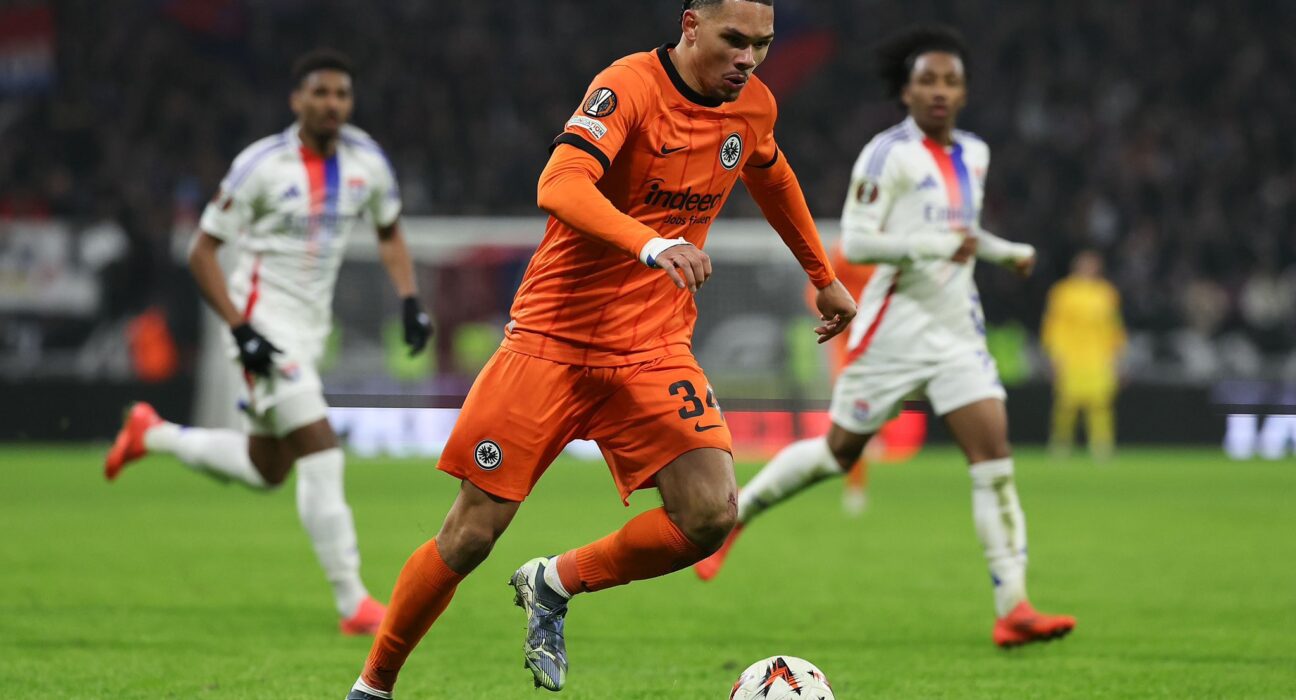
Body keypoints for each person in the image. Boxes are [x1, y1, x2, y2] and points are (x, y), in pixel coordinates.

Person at [345, 1, 857, 697]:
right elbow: (558, 183)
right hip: (551, 342)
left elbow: (771, 173)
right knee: (469, 536)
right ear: (691, 25)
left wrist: (822, 276)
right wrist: (651, 243)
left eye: (761, 44)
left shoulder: (753, 106)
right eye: (734, 40)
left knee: (709, 514)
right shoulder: (629, 86)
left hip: (652, 347)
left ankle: (553, 583)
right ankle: (373, 685)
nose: (748, 59)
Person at [693, 25, 1077, 649]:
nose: (939, 91)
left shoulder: (974, 154)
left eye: (950, 81)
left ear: (964, 92)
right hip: (892, 332)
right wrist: (931, 245)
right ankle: (738, 516)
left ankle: (1014, 607)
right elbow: (860, 242)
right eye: (927, 80)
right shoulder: (886, 155)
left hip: (957, 332)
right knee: (837, 454)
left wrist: (1007, 253)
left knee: (995, 463)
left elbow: (962, 234)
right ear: (906, 91)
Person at [103, 49, 432, 636]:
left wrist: (409, 299)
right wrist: (240, 328)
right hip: (262, 326)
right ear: (296, 100)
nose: (331, 104)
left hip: (309, 331)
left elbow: (389, 230)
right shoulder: (260, 166)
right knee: (323, 447)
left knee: (266, 469)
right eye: (320, 93)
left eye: (341, 94)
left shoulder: (367, 162)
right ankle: (354, 602)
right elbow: (201, 251)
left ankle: (151, 434)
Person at [1041, 250, 1126, 459]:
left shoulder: (1106, 292)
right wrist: (1054, 355)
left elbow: (1113, 328)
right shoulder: (1063, 292)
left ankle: (1102, 445)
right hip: (1070, 356)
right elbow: (1054, 326)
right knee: (1066, 404)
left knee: (1100, 404)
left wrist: (1116, 357)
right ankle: (1061, 443)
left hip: (1098, 357)